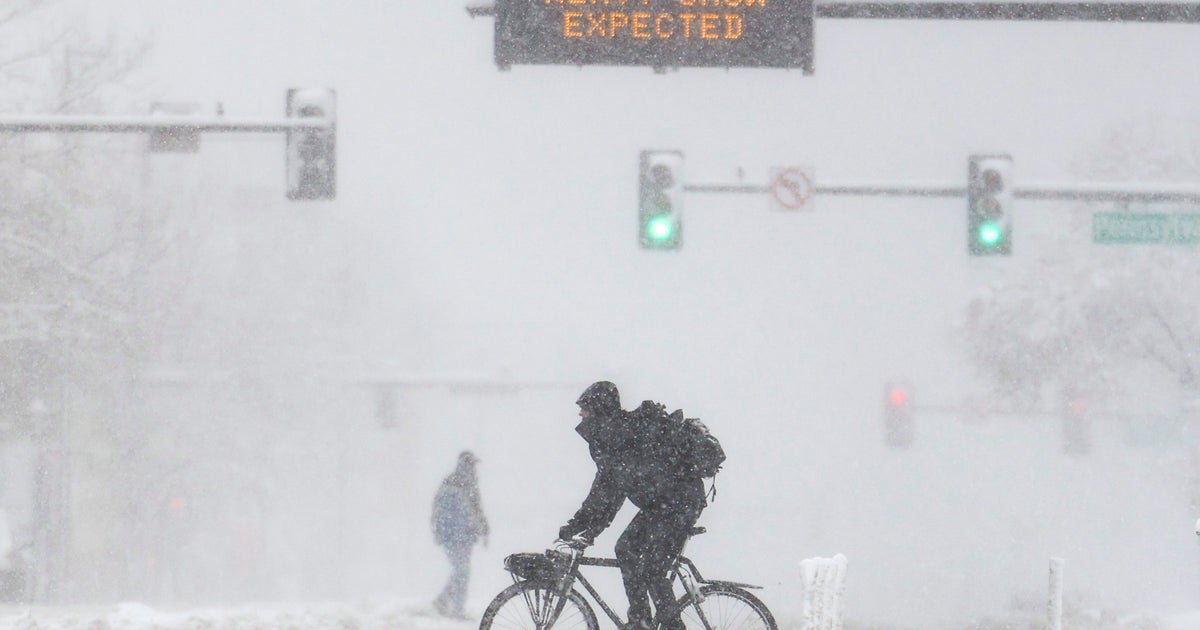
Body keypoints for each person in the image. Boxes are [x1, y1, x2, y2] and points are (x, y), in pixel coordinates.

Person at [556, 381, 708, 630]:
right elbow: (605, 492)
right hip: (666, 503)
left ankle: (651, 623)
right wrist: (581, 526)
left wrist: (585, 528)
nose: (580, 414)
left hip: (678, 503)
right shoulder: (612, 436)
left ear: (599, 410)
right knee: (634, 554)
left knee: (639, 557)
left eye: (584, 409)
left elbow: (610, 494)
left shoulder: (618, 437)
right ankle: (643, 620)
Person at [431, 450, 490, 619]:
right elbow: (471, 511)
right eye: (472, 464)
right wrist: (481, 527)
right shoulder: (459, 484)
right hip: (456, 535)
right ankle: (456, 610)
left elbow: (475, 509)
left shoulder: (463, 483)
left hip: (461, 536)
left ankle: (443, 601)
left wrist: (484, 528)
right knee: (462, 572)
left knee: (460, 571)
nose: (474, 468)